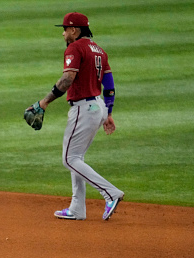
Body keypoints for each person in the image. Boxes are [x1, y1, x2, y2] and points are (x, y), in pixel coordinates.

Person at [26, 12, 124, 220]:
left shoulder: (75, 48)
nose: (63, 34)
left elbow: (67, 79)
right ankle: (77, 208)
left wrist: (43, 102)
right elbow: (109, 85)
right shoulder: (99, 51)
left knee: (69, 159)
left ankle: (110, 193)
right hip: (97, 107)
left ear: (74, 30)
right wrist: (109, 112)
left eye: (65, 29)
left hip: (83, 108)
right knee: (76, 157)